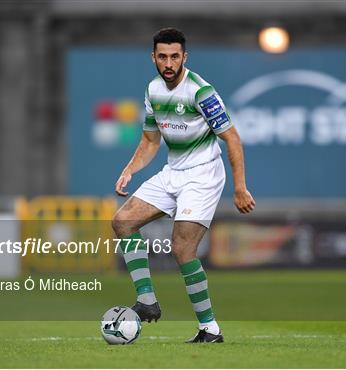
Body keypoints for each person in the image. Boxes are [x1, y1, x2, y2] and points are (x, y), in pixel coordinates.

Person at [111, 27, 255, 343]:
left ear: (184, 57)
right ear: (153, 58)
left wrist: (240, 187)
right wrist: (130, 169)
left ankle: (210, 329)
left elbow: (231, 137)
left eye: (175, 56)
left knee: (182, 249)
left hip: (203, 175)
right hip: (173, 171)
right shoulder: (153, 90)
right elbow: (150, 140)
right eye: (162, 56)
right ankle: (147, 300)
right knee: (122, 221)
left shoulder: (200, 92)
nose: (168, 63)